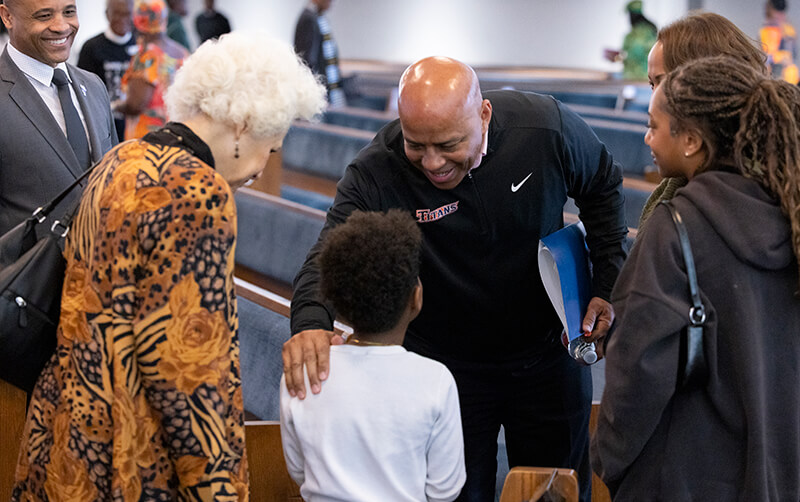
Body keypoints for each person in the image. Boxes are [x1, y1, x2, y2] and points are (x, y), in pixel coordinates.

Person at [286, 56, 628, 502]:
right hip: (447, 369)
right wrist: (311, 319)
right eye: (417, 144)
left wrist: (606, 284)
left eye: (448, 144)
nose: (433, 162)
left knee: (556, 492)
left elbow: (604, 187)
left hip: (547, 355)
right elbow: (331, 246)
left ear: (483, 114)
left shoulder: (545, 128)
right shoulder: (378, 167)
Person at [11, 31, 327, 500]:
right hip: (133, 457)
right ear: (243, 123)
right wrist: (219, 490)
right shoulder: (196, 192)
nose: (263, 167)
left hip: (69, 433)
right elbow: (190, 374)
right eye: (271, 147)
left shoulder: (123, 158)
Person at [591, 55, 800, 500]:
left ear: (690, 140)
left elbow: (637, 374)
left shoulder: (676, 228)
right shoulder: (791, 214)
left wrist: (607, 459)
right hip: (779, 473)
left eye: (653, 125)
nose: (646, 137)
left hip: (685, 479)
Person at [280, 209, 466, 502]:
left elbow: (298, 470)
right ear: (416, 298)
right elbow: (444, 489)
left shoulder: (306, 371)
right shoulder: (435, 380)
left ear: (336, 301)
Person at [638, 11, 767, 230]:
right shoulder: (679, 184)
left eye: (661, 83)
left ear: (705, 86)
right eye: (652, 85)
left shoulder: (744, 200)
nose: (654, 99)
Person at [0, 0, 118, 237]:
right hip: (27, 271)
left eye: (69, 12)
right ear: (7, 17)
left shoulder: (93, 86)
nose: (61, 26)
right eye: (44, 16)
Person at [115, 0, 188, 140]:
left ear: (137, 19)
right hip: (175, 136)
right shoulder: (182, 53)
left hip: (148, 140)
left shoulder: (146, 55)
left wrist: (113, 106)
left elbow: (136, 104)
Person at [77, 0, 137, 140]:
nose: (122, 19)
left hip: (135, 129)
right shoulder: (91, 48)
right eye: (117, 14)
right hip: (104, 128)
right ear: (107, 14)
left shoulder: (142, 47)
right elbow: (82, 92)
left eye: (127, 14)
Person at [294, 0, 346, 107]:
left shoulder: (319, 17)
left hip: (330, 90)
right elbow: (307, 61)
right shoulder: (309, 18)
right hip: (320, 92)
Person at [605, 1, 657, 80]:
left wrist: (616, 57)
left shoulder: (633, 36)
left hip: (636, 80)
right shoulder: (651, 30)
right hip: (648, 79)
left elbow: (633, 57)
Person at [761, 0, 799, 84]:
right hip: (778, 78)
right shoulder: (768, 30)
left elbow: (792, 54)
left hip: (786, 78)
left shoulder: (785, 29)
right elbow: (767, 56)